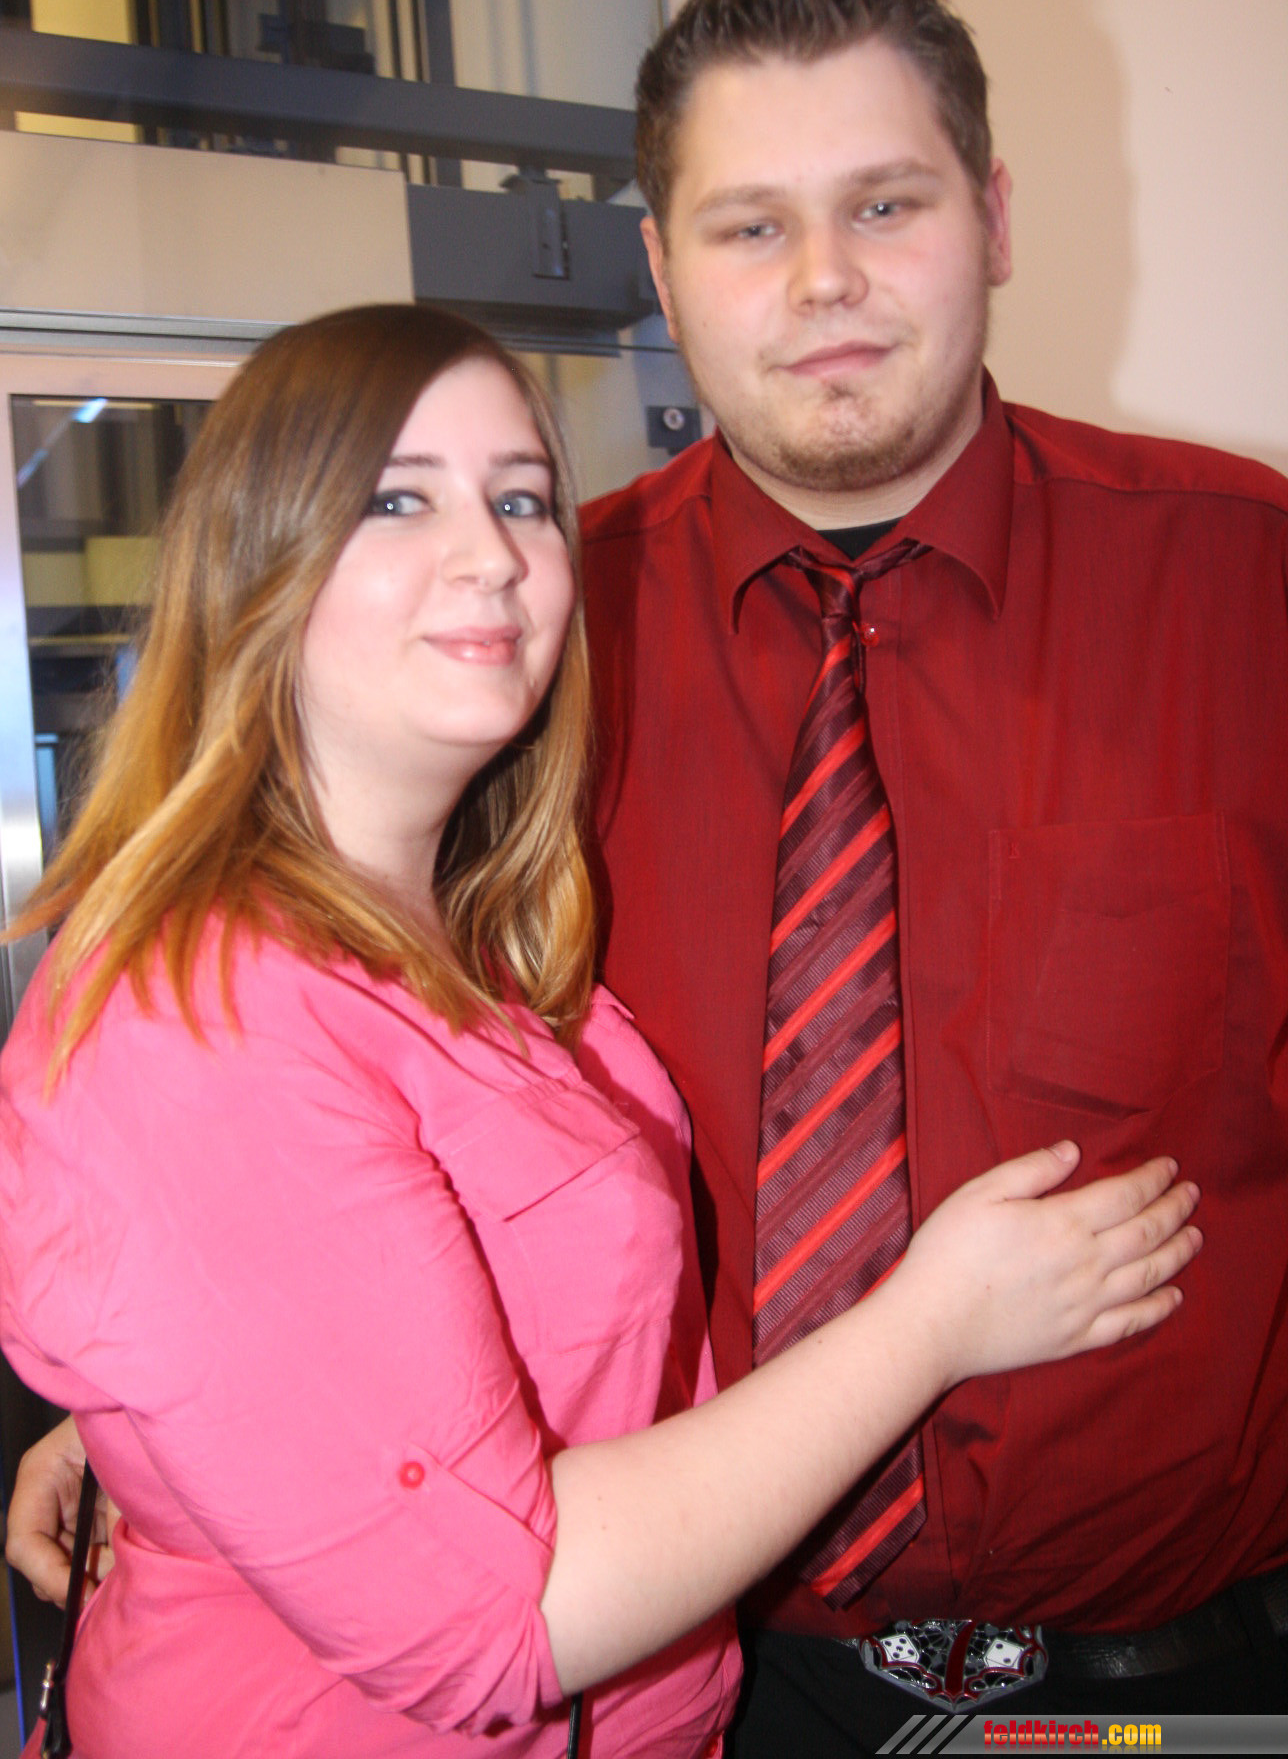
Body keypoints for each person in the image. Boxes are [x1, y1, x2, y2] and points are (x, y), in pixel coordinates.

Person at [0, 302, 1199, 1758]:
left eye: (520, 500)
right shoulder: (199, 1015)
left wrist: (194, 1414)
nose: (493, 554)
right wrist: (937, 1321)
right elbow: (498, 1618)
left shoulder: (479, 932)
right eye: (398, 499)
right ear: (255, 565)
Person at [575, 0, 1288, 1747]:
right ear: (661, 272)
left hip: (1188, 1685)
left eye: (885, 204)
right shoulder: (531, 637)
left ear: (995, 218)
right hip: (713, 1691)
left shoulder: (1251, 583)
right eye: (749, 227)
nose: (824, 280)